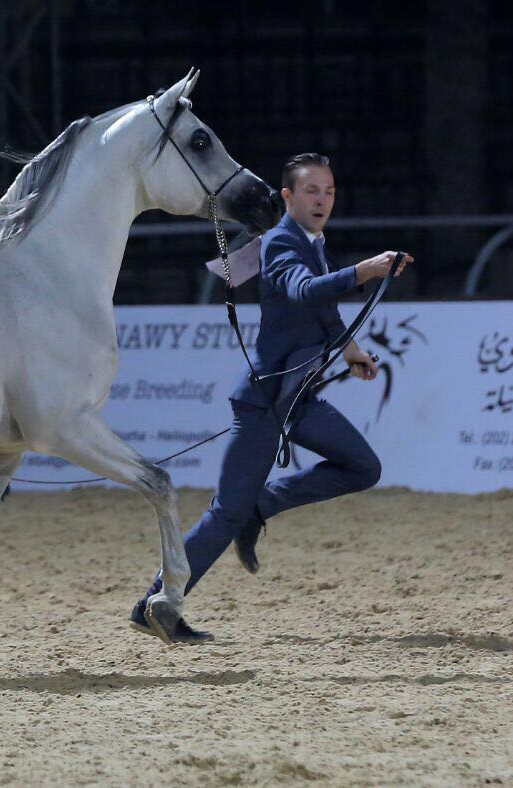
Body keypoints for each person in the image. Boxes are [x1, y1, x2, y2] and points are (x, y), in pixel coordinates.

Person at [130, 153, 413, 639]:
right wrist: (363, 271)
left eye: (328, 191)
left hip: (296, 397)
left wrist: (351, 350)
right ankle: (157, 603)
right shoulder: (282, 242)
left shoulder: (312, 242)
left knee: (363, 467)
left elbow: (320, 310)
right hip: (265, 401)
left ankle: (263, 506)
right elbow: (304, 293)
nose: (322, 200)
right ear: (287, 197)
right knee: (226, 512)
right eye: (311, 191)